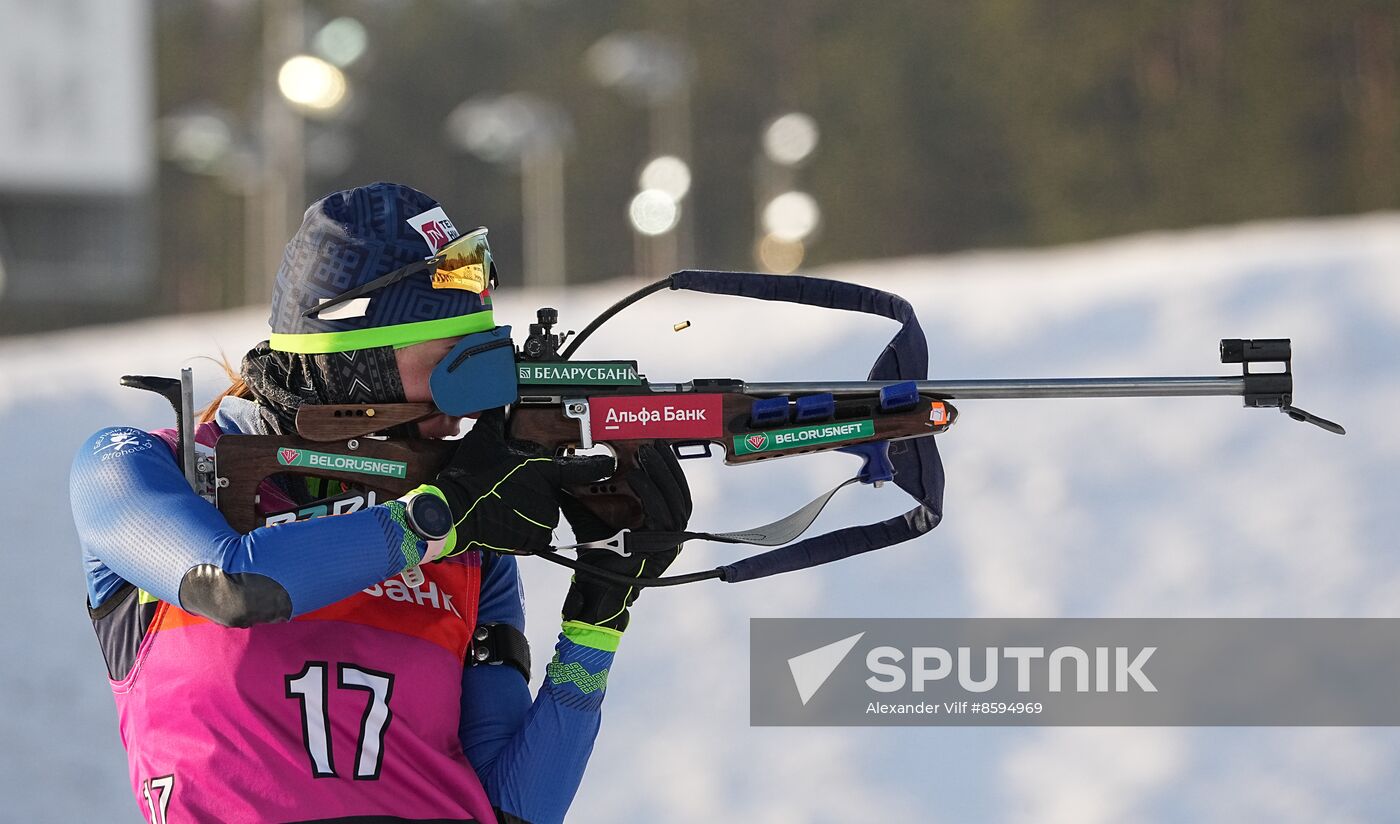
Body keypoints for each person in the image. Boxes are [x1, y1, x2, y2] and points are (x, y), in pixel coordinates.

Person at [69, 182, 690, 824]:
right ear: (357, 358)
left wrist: (602, 612)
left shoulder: (469, 548)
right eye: (453, 361)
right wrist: (440, 515)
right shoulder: (141, 466)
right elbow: (233, 584)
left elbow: (512, 812)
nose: (473, 405)